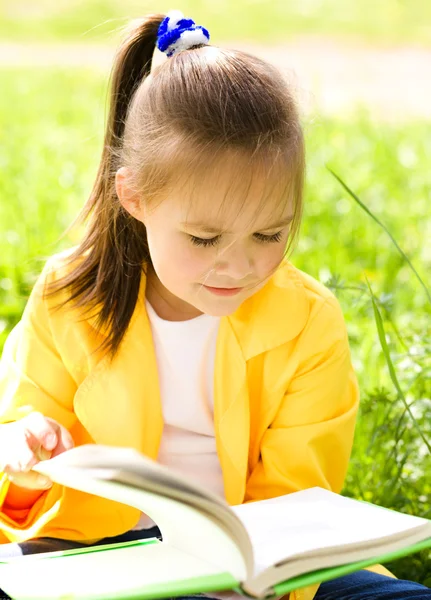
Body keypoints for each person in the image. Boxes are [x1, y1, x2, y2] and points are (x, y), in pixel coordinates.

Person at [0, 9, 429, 600]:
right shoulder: (70, 300)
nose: (239, 265)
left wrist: (246, 579)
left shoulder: (306, 319)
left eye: (270, 234)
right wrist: (22, 460)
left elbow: (296, 498)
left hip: (256, 572)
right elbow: (24, 472)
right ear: (135, 196)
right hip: (98, 556)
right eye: (204, 239)